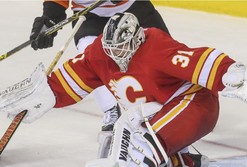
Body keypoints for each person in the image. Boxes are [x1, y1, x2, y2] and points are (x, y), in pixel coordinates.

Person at [0, 13, 247, 167]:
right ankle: (178, 162)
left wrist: (240, 78)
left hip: (196, 103)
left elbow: (200, 59)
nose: (117, 56)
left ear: (136, 39)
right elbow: (69, 81)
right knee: (126, 128)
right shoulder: (101, 53)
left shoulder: (156, 45)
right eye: (112, 49)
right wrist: (43, 94)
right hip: (157, 109)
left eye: (123, 48)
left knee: (143, 139)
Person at [30, 0, 170, 131]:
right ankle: (111, 111)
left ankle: (176, 102)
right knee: (91, 55)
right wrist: (49, 18)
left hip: (133, 7)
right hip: (91, 15)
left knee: (163, 53)